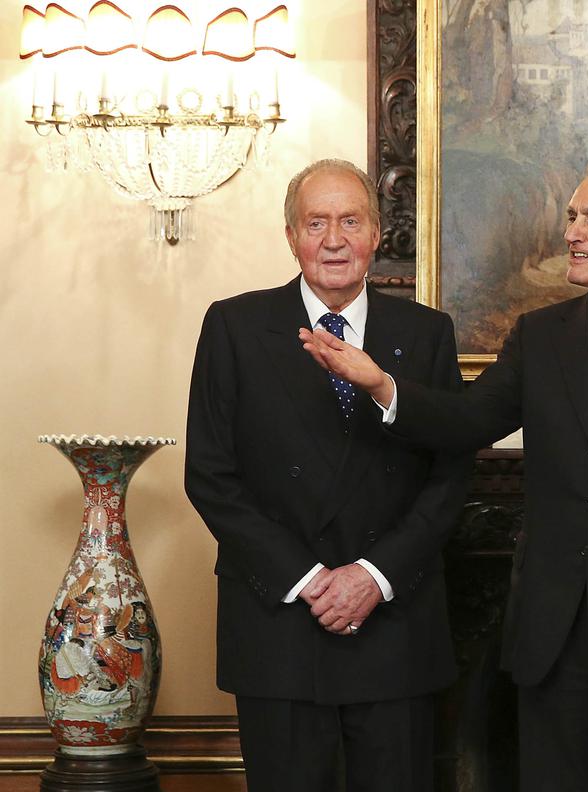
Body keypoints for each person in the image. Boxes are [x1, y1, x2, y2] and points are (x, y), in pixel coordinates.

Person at [300, 157, 588, 791]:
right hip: (551, 634)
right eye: (572, 216)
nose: (572, 232)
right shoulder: (540, 335)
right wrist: (384, 385)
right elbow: (467, 421)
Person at [184, 159, 470, 792]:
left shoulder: (426, 334)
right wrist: (309, 579)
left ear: (376, 233)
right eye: (316, 223)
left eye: (350, 220)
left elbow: (452, 475)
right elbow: (209, 475)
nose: (334, 239)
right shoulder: (233, 327)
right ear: (291, 236)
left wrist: (374, 575)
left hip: (395, 625)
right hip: (279, 622)